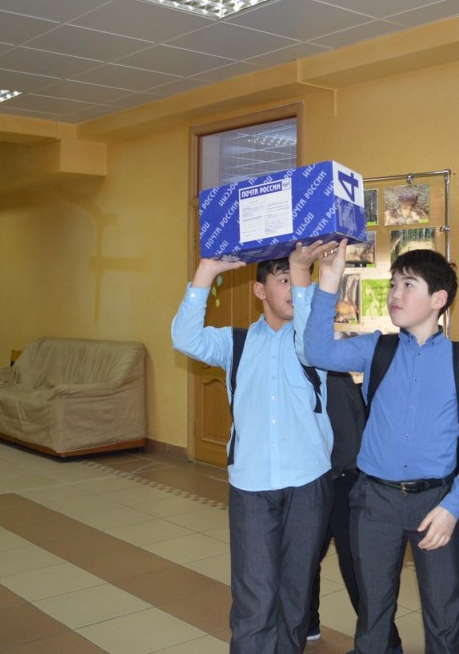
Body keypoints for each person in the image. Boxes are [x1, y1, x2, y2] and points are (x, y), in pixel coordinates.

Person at [303, 241, 459, 654]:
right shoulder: (377, 348)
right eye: (393, 284)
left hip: (437, 504)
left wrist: (453, 507)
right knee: (373, 615)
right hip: (374, 502)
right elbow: (316, 351)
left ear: (438, 299)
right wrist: (329, 282)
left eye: (408, 285)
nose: (395, 294)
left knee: (445, 620)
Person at [171, 243, 335, 654]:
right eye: (284, 279)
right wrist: (207, 270)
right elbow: (185, 338)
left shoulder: (314, 341)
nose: (294, 289)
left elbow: (310, 324)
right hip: (252, 486)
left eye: (299, 280)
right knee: (253, 597)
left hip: (308, 482)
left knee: (295, 597)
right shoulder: (236, 343)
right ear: (260, 290)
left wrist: (303, 268)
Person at [305, 367, 403, 652]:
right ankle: (307, 624)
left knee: (357, 568)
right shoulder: (313, 373)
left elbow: (348, 442)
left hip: (342, 481)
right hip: (319, 480)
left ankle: (387, 644)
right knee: (305, 557)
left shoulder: (334, 380)